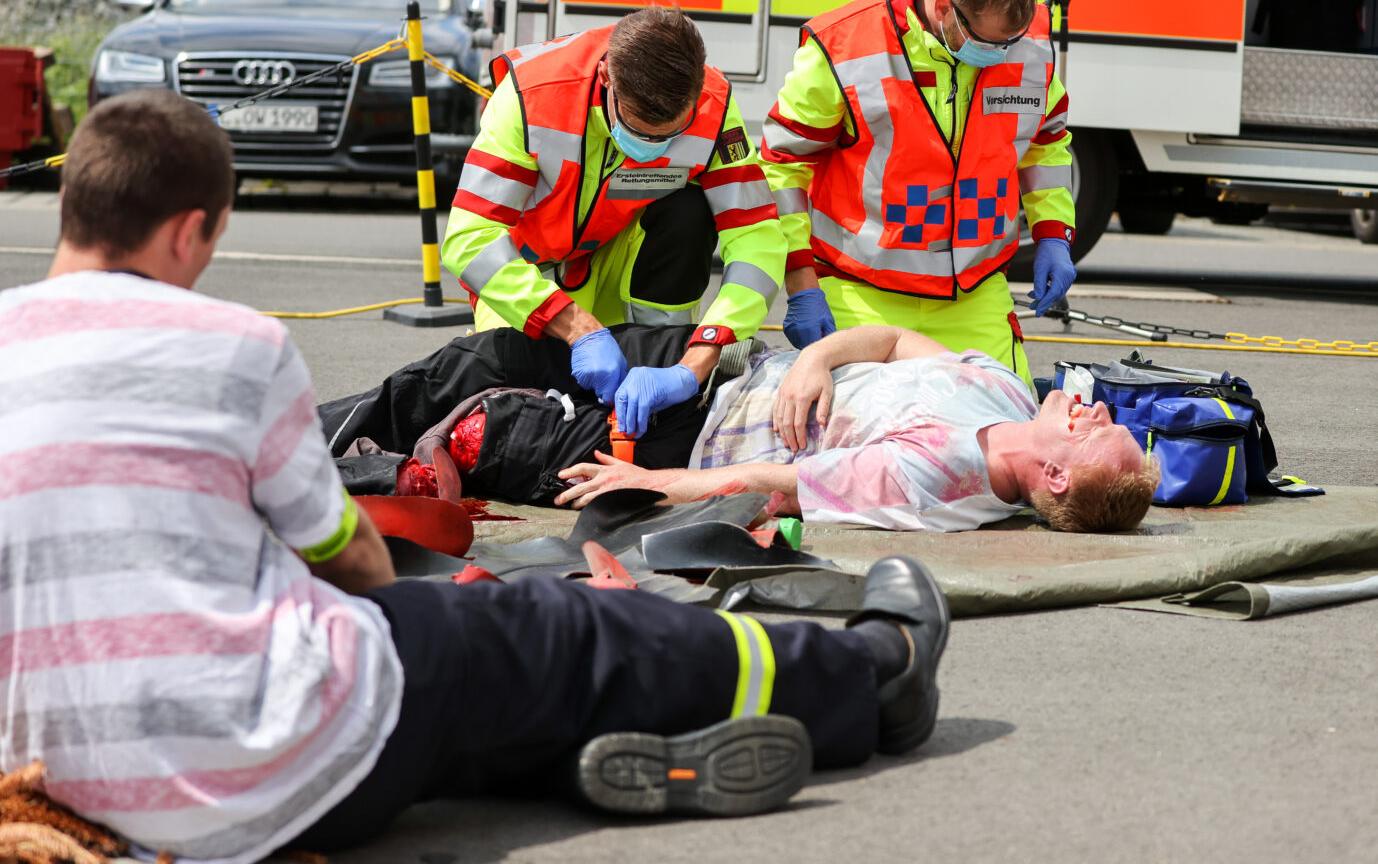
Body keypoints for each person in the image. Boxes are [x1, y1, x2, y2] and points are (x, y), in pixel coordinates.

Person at [0, 89, 952, 863]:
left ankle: (586, 756)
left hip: (49, 774)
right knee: (545, 630)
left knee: (474, 694)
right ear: (190, 231)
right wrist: (430, 607)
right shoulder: (235, 347)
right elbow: (346, 556)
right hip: (266, 777)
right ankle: (876, 674)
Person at [321, 324, 1158, 534]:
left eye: (1093, 433)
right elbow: (895, 342)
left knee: (479, 434)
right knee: (484, 357)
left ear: (1053, 478)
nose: (1093, 408)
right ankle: (299, 440)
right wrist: (816, 361)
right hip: (720, 374)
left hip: (682, 442)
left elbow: (771, 486)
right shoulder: (1007, 390)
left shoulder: (936, 480)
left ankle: (301, 465)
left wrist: (649, 485)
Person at [444, 5, 786, 438]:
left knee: (689, 208)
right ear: (607, 78)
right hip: (529, 282)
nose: (655, 146)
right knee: (514, 413)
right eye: (641, 131)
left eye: (672, 133)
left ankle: (661, 347)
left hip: (619, 263)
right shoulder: (532, 95)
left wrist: (700, 357)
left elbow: (755, 234)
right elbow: (470, 238)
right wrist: (578, 328)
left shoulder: (714, 108)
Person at [758, 0, 1077, 389]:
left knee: (1008, 437)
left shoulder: (1025, 43)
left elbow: (1046, 142)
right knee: (861, 446)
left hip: (974, 292)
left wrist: (1053, 234)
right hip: (862, 291)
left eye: (1011, 42)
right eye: (989, 43)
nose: (1002, 55)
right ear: (944, 8)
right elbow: (783, 164)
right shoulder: (845, 47)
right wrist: (800, 281)